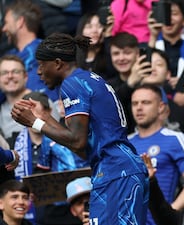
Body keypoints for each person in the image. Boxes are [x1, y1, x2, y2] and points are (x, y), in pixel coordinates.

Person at [10, 33, 149, 225]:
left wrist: (35, 123)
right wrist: (46, 118)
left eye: (42, 64)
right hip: (119, 168)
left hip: (116, 172)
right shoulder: (89, 78)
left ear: (58, 63)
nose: (39, 72)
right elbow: (80, 149)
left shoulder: (72, 84)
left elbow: (76, 140)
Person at [129, 84, 184, 225]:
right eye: (135, 103)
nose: (139, 108)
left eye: (146, 102)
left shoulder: (174, 138)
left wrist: (170, 212)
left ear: (161, 107)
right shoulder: (125, 143)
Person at [2, 1, 59, 102]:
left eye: (6, 23)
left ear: (20, 22)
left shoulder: (46, 53)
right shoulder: (8, 56)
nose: (4, 29)